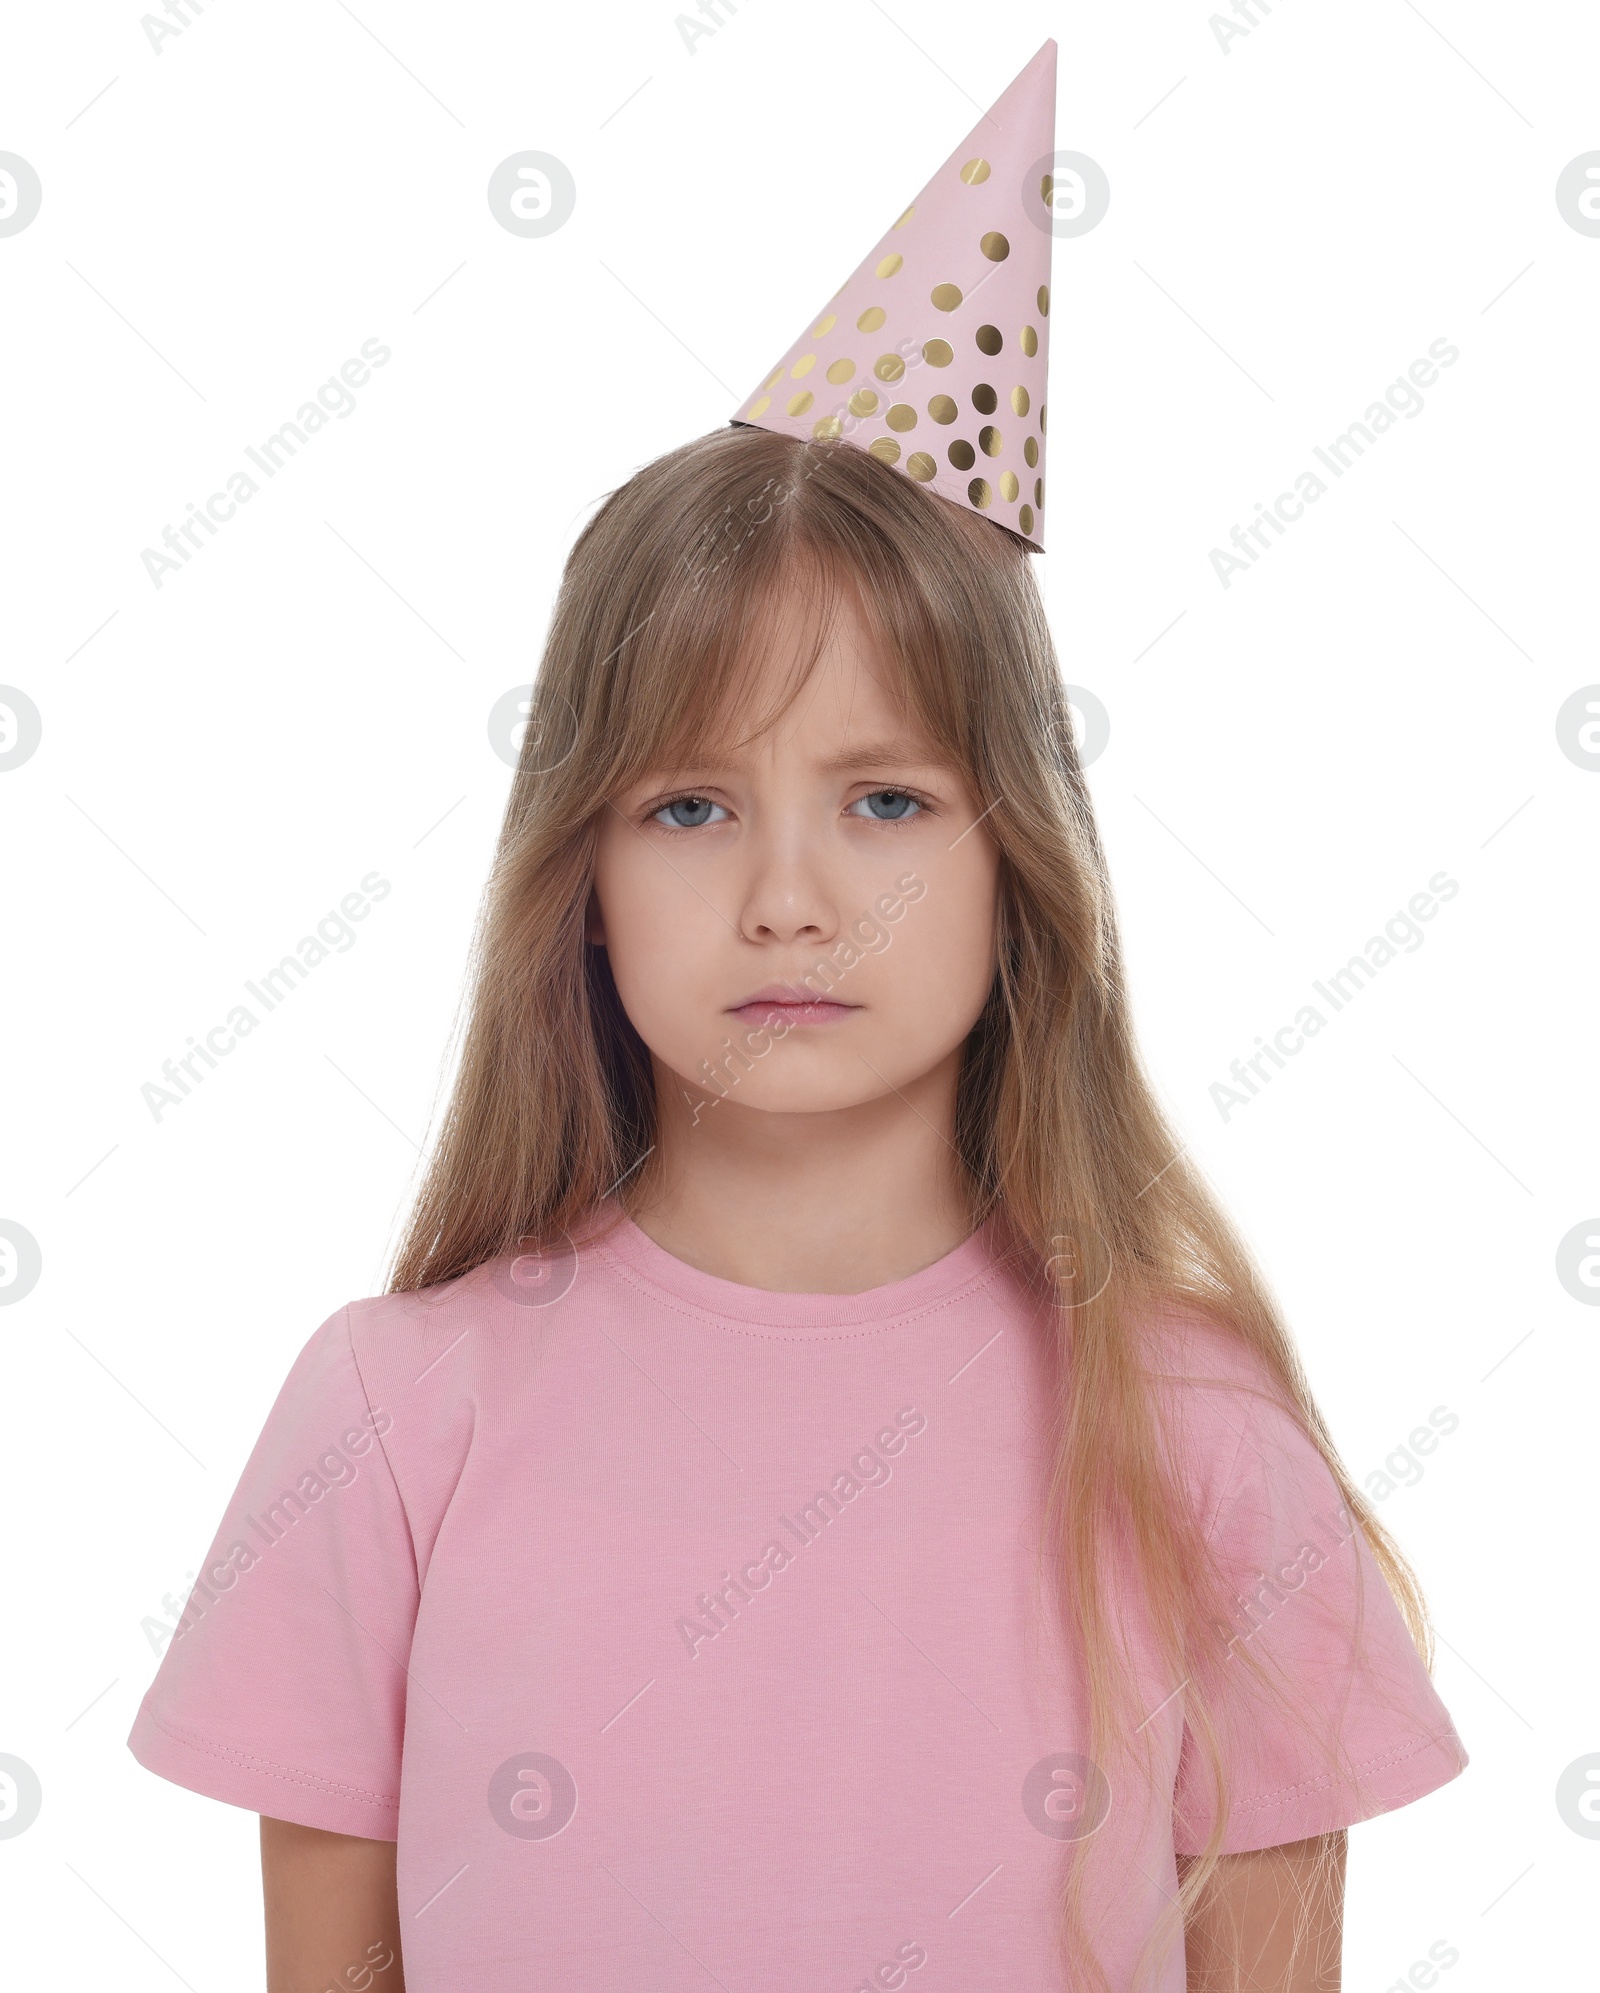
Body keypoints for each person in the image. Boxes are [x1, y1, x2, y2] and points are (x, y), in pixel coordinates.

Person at [127, 45, 1465, 1993]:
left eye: (884, 799)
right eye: (688, 803)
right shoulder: (396, 1417)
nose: (786, 893)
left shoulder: (1185, 1432)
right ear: (576, 872)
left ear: (1020, 859)